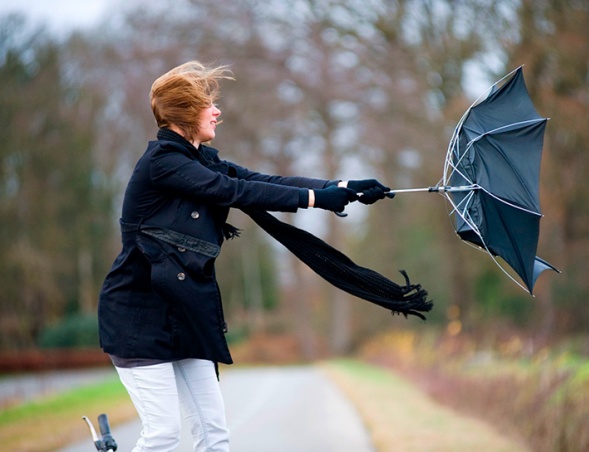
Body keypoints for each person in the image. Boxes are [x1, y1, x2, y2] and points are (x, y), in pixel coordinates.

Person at [97, 60, 392, 451]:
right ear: (185, 112)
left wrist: (341, 186)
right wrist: (317, 198)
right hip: (139, 317)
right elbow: (232, 192)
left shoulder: (202, 159)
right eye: (207, 104)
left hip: (186, 314)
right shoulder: (163, 164)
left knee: (214, 435)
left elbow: (260, 181)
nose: (216, 111)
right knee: (164, 434)